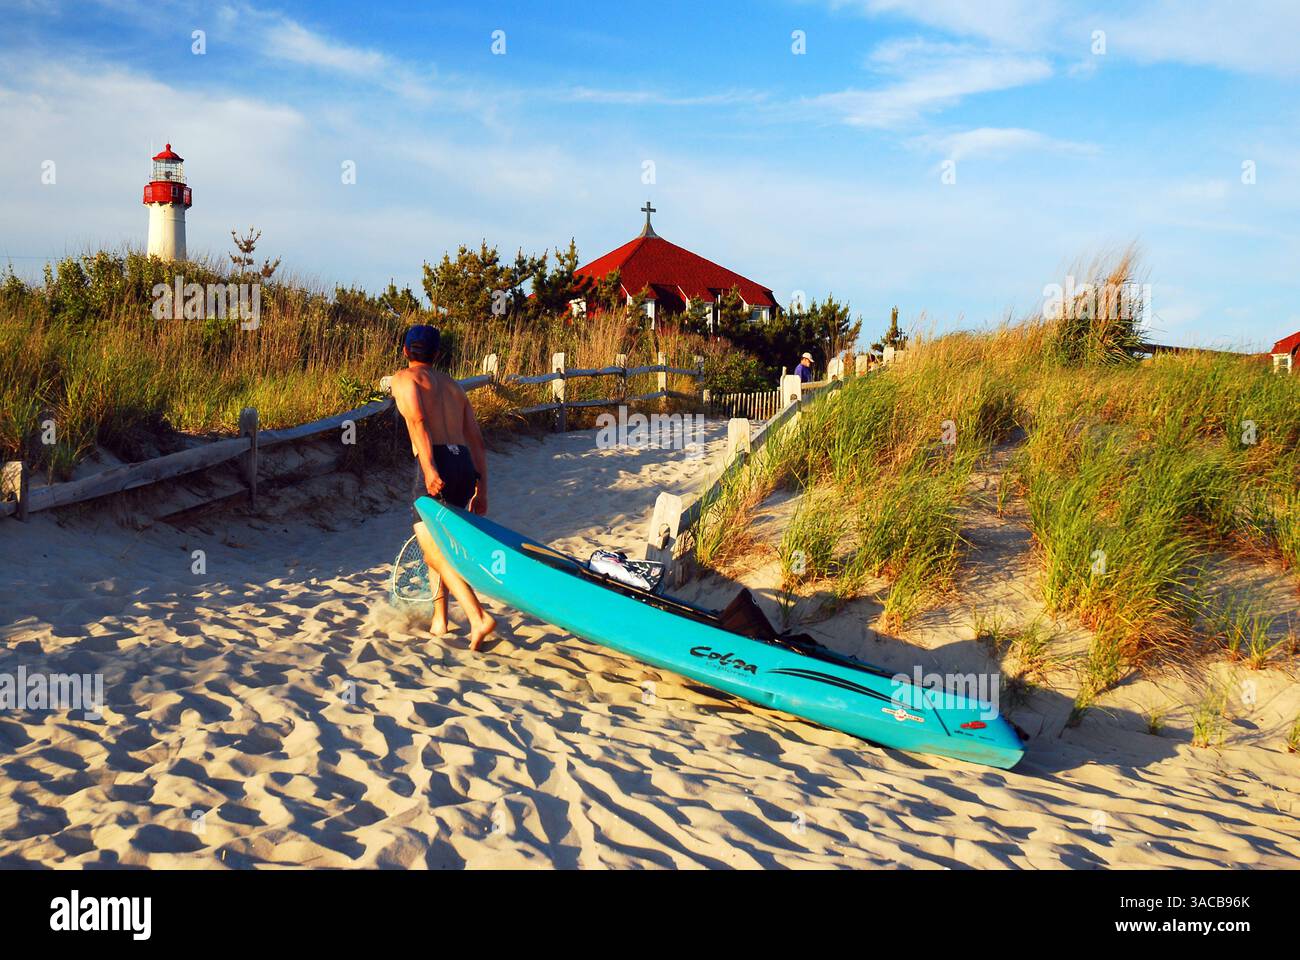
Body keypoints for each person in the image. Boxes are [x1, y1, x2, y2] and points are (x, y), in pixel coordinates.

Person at [391, 324, 497, 650]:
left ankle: (478, 617)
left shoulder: (403, 379)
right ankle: (440, 620)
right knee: (441, 548)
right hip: (463, 465)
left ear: (406, 350)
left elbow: (419, 421)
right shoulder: (455, 387)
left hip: (435, 460)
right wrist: (483, 487)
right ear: (438, 354)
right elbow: (476, 440)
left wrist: (428, 467)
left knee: (434, 555)